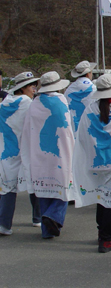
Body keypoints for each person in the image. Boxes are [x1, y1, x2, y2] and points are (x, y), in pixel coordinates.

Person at [73, 74, 111, 253]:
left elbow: (82, 136)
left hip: (94, 162)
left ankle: (101, 232)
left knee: (101, 197)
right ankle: (106, 239)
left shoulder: (89, 110)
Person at [20, 71, 74, 238]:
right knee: (63, 186)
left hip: (39, 151)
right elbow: (67, 128)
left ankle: (46, 231)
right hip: (60, 151)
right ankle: (53, 216)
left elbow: (28, 130)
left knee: (43, 188)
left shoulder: (34, 104)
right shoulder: (61, 101)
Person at [0, 72, 41, 235]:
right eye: (32, 85)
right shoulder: (27, 102)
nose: (34, 88)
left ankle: (4, 224)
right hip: (25, 149)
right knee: (34, 183)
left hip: (6, 151)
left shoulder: (4, 103)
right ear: (23, 88)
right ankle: (37, 218)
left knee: (7, 189)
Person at [64, 61, 97, 133]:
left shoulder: (69, 89)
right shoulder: (94, 89)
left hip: (73, 127)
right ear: (88, 74)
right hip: (90, 127)